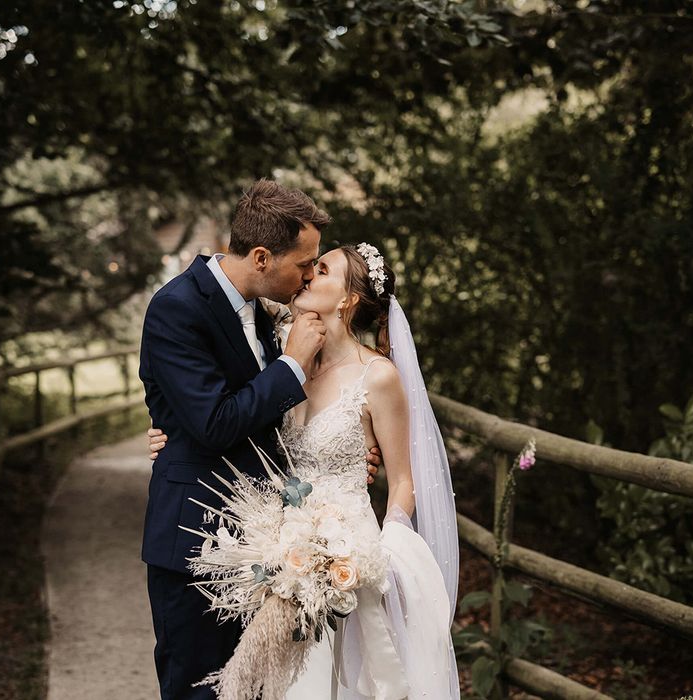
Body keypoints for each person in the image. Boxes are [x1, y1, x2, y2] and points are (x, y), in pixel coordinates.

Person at [150, 242, 461, 699]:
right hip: (279, 557)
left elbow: (403, 483)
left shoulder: (378, 377)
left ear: (348, 299)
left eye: (321, 269)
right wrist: (166, 434)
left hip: (349, 564)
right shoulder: (284, 355)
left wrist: (380, 554)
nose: (307, 275)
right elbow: (221, 410)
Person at [139, 179, 381, 700]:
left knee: (254, 690)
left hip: (266, 546)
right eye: (305, 263)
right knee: (198, 690)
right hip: (195, 541)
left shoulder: (268, 308)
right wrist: (292, 362)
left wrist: (346, 455)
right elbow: (213, 423)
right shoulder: (177, 308)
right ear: (262, 257)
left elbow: (280, 419)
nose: (310, 275)